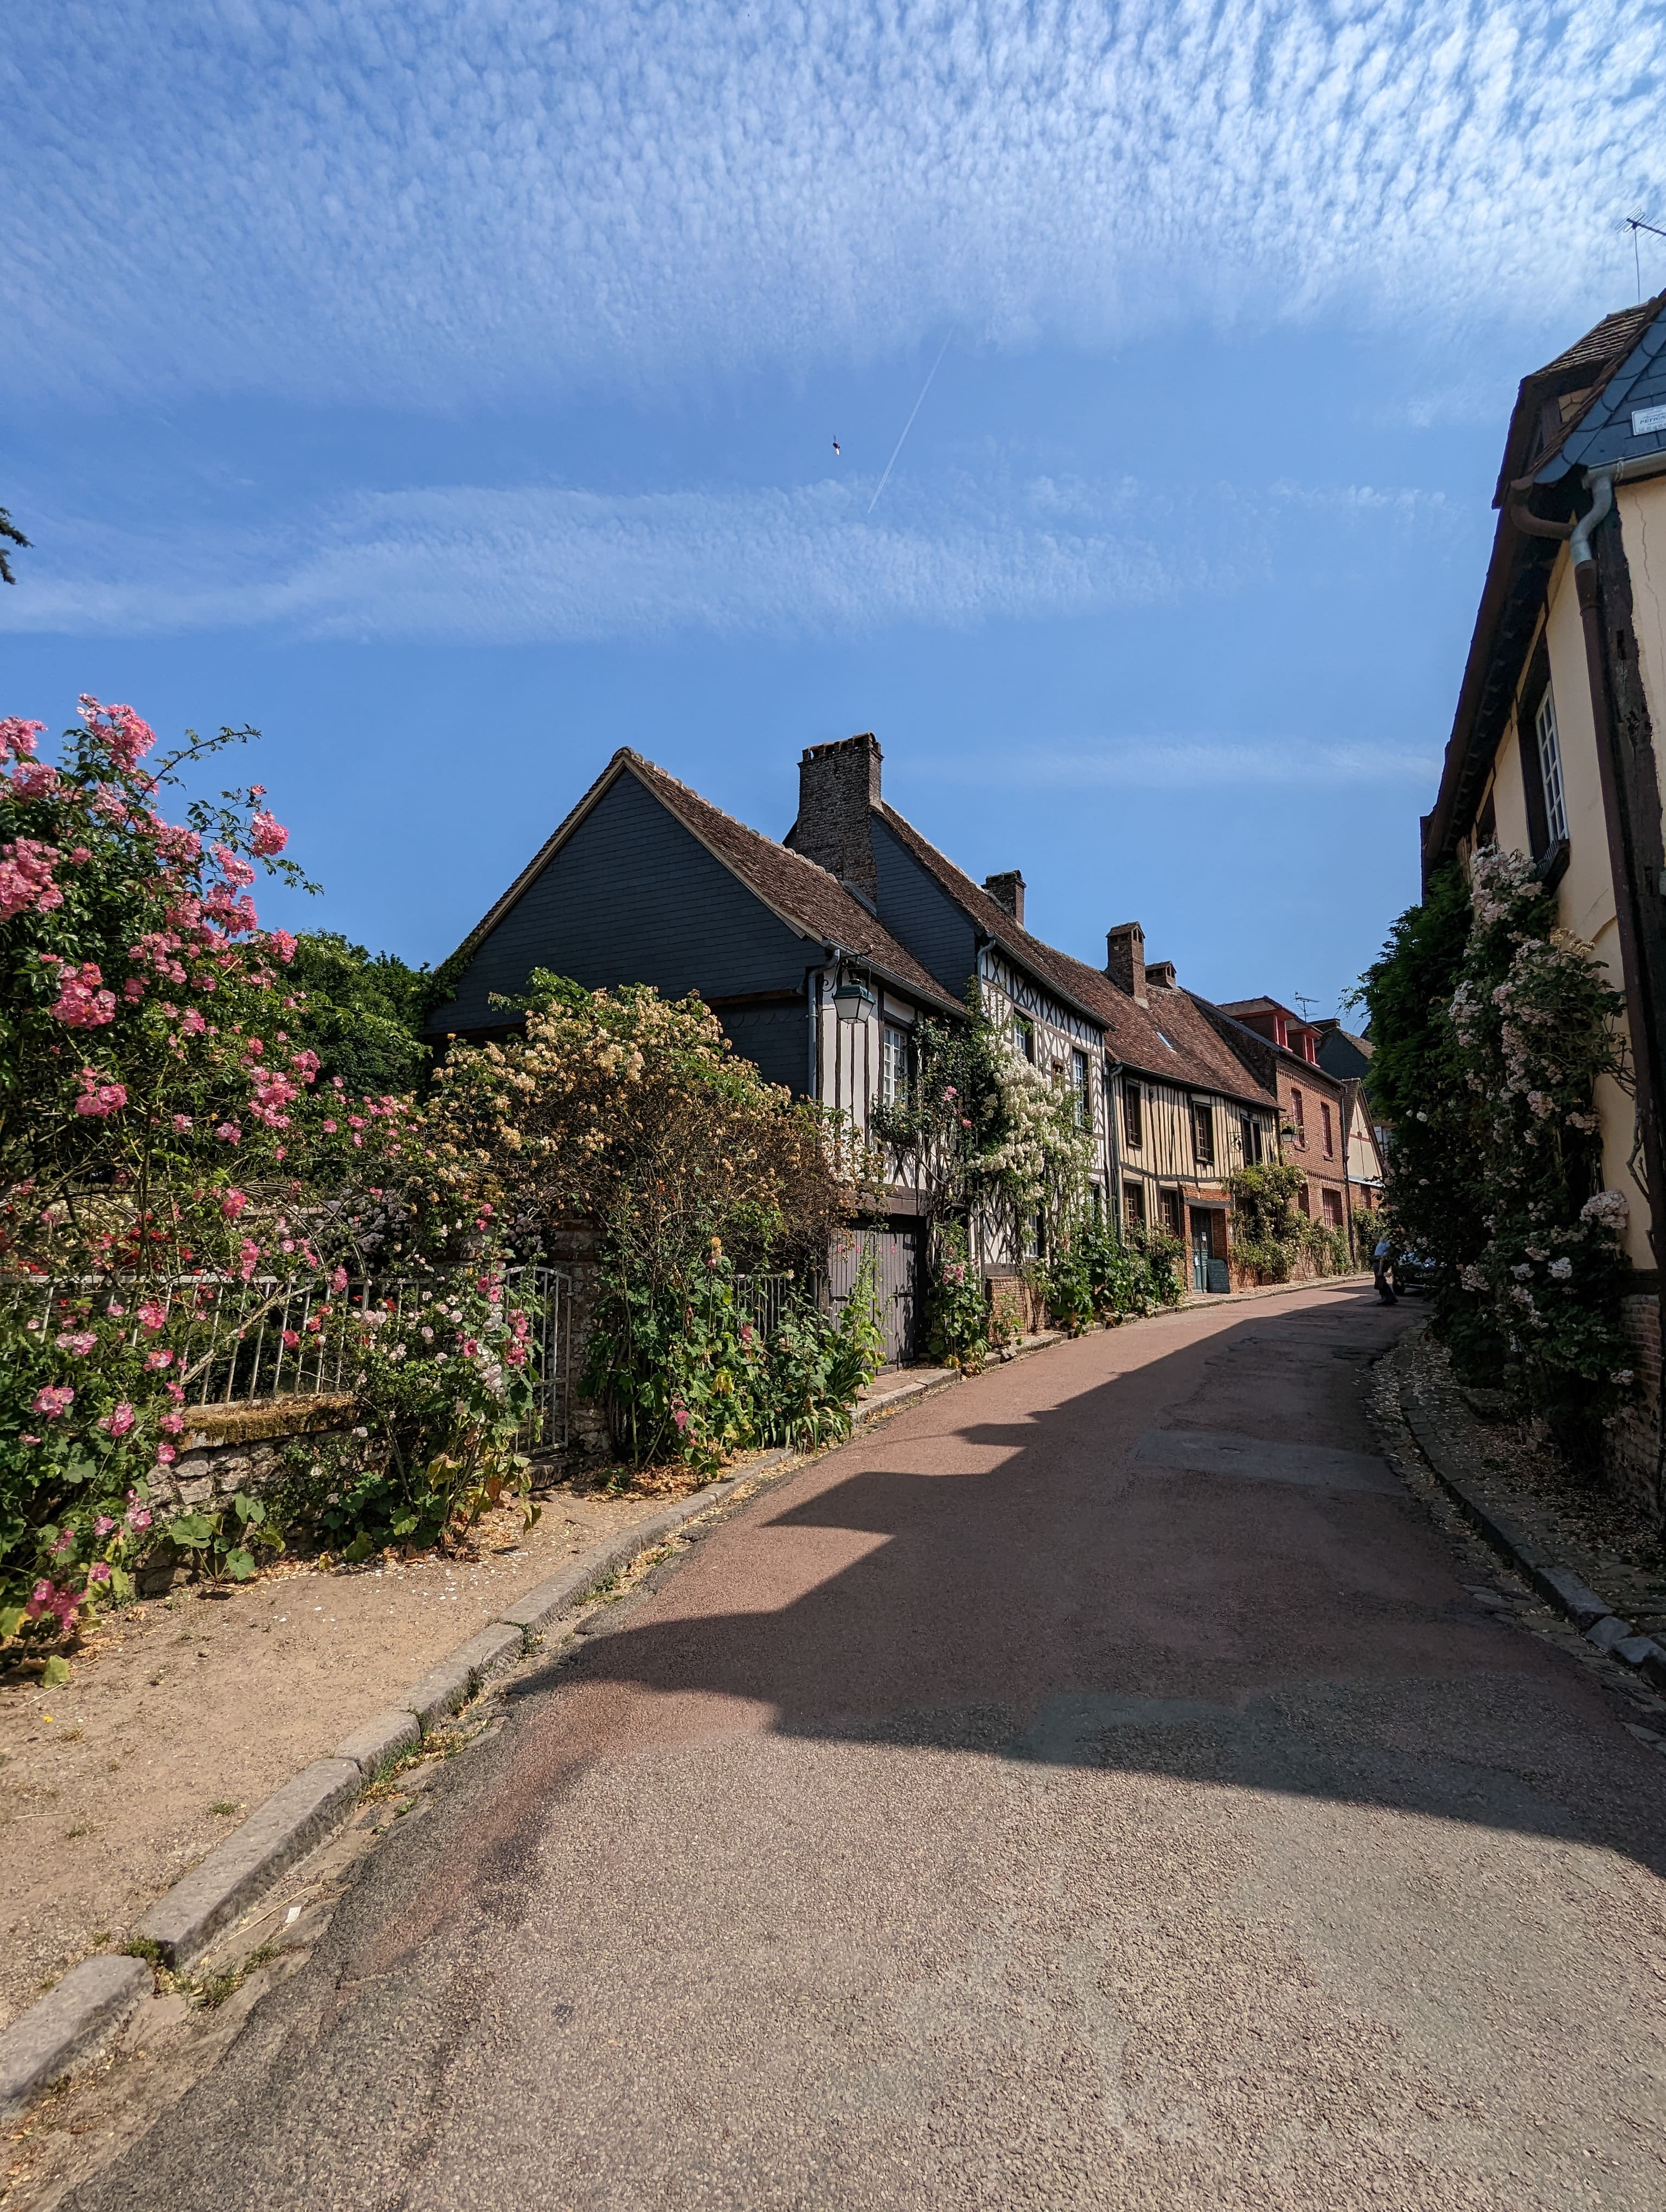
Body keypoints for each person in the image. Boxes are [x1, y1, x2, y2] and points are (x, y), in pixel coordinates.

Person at [1373, 1234, 1398, 1306]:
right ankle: (1390, 1298)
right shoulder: (1383, 1244)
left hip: (1379, 1264)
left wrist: (1381, 1269)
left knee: (1381, 1282)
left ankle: (1387, 1298)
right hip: (1378, 1263)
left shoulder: (1384, 1245)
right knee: (1381, 1281)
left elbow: (1383, 1258)